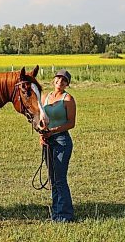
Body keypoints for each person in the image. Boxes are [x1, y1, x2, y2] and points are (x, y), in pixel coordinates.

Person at [40, 69, 76, 222]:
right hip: (48, 141)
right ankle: (56, 212)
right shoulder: (45, 97)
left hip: (62, 140)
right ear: (53, 80)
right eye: (58, 78)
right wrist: (42, 135)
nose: (60, 82)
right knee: (52, 178)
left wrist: (53, 131)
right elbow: (41, 119)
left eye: (64, 80)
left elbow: (71, 123)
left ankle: (65, 215)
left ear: (67, 84)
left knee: (60, 178)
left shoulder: (68, 99)